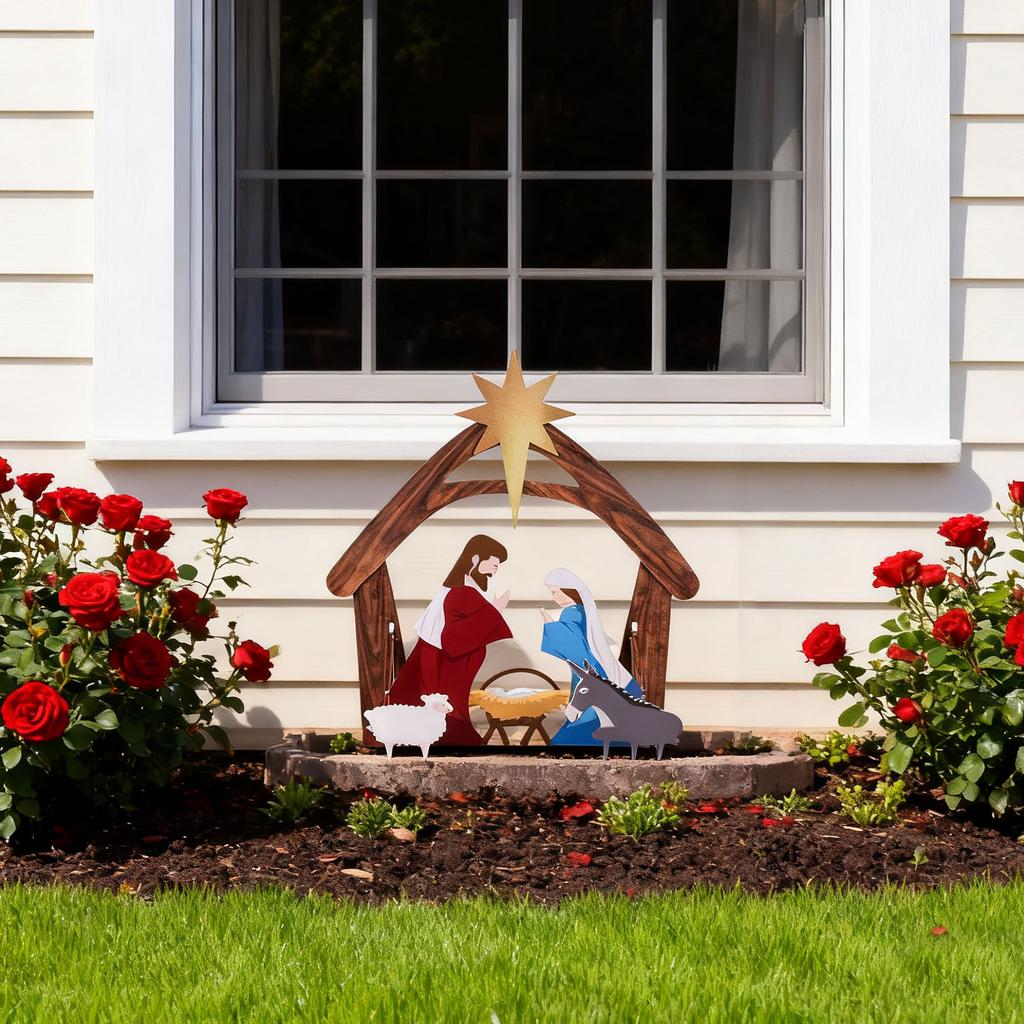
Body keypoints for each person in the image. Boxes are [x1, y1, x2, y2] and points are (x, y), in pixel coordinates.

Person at [382, 535, 512, 746]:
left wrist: (491, 612)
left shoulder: (463, 587)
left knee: (438, 701)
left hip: (441, 655)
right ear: (475, 558)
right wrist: (495, 610)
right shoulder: (460, 591)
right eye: (492, 563)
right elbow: (456, 632)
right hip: (442, 658)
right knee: (441, 702)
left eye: (497, 566)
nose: (494, 569)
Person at [539, 567, 644, 747]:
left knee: (586, 712)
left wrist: (549, 623)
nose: (554, 597)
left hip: (585, 667)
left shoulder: (571, 611)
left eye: (554, 592)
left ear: (567, 590)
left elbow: (572, 642)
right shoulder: (583, 609)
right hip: (595, 663)